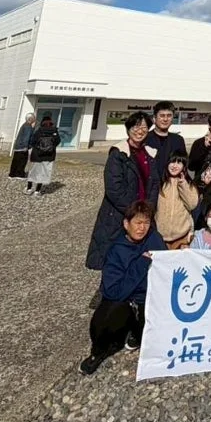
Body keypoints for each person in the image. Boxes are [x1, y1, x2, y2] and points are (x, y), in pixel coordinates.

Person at [79, 200, 167, 375]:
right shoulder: (116, 251)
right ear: (126, 224)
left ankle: (137, 333)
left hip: (151, 300)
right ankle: (99, 351)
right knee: (103, 319)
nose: (142, 228)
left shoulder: (154, 239)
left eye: (146, 223)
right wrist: (141, 263)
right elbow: (113, 292)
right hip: (127, 301)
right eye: (138, 223)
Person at [86, 112, 161, 295]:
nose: (140, 131)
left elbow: (154, 183)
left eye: (144, 127)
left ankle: (138, 294)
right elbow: (114, 188)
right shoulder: (118, 153)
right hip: (120, 215)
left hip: (144, 214)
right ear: (128, 129)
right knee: (116, 255)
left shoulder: (149, 153)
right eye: (135, 127)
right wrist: (133, 212)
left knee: (145, 253)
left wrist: (147, 210)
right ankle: (112, 296)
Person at [155, 151, 199, 249]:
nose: (174, 166)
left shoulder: (188, 184)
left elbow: (192, 204)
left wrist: (183, 184)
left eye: (179, 163)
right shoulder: (161, 183)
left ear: (184, 166)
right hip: (161, 238)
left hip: (181, 238)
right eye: (172, 162)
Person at [146, 101, 186, 182]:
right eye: (162, 115)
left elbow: (183, 165)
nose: (165, 119)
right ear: (154, 118)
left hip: (171, 188)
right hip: (149, 188)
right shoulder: (145, 139)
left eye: (169, 116)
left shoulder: (178, 140)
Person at [26, 114, 61, 197]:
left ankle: (29, 188)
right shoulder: (54, 131)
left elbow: (33, 141)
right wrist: (51, 147)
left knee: (33, 172)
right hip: (49, 156)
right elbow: (58, 141)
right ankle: (37, 191)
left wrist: (37, 148)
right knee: (43, 173)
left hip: (37, 155)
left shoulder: (39, 130)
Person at [10, 113, 36, 179]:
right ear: (31, 119)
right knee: (22, 161)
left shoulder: (24, 125)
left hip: (18, 146)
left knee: (15, 160)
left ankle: (12, 174)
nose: (34, 120)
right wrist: (25, 146)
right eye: (34, 119)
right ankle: (19, 174)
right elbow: (26, 137)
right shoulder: (28, 126)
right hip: (22, 147)